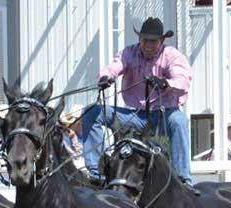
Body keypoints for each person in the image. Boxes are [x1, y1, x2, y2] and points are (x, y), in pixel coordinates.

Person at [82, 17, 195, 191]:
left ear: (162, 41)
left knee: (179, 122)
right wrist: (106, 77)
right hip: (136, 116)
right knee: (92, 112)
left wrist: (166, 83)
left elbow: (183, 80)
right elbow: (115, 66)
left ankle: (183, 179)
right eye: (145, 40)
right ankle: (96, 173)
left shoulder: (172, 55)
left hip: (165, 114)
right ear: (139, 39)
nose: (148, 45)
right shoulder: (129, 52)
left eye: (153, 41)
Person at [59, 104, 87, 172]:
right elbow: (75, 158)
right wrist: (73, 140)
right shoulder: (63, 138)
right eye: (79, 123)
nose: (81, 125)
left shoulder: (87, 137)